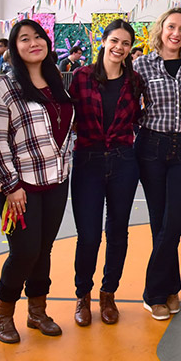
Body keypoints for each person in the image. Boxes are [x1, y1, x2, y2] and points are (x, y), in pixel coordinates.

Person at [0, 19, 75, 344]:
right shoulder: (6, 87)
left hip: (56, 181)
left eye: (38, 36)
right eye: (24, 39)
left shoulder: (57, 83)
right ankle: (3, 313)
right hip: (19, 187)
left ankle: (37, 311)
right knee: (24, 252)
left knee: (44, 249)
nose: (33, 43)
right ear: (14, 48)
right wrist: (11, 185)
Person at [134, 8, 181, 320]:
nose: (176, 33)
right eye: (171, 27)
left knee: (174, 222)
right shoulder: (142, 65)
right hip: (151, 146)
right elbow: (124, 99)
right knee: (159, 222)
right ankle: (168, 289)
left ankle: (153, 290)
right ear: (161, 29)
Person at [68, 19, 141, 327]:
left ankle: (108, 293)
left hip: (124, 160)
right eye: (114, 41)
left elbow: (139, 117)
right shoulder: (81, 77)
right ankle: (82, 294)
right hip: (88, 160)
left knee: (118, 231)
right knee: (88, 235)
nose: (119, 47)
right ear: (103, 41)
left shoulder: (134, 80)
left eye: (125, 43)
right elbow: (68, 116)